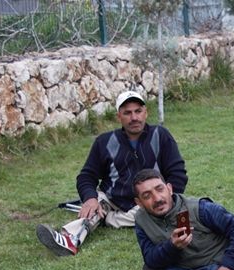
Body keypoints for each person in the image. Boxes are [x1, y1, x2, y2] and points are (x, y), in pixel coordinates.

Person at [36, 90, 188, 256]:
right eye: (127, 113)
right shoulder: (104, 142)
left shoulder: (161, 136)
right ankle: (69, 239)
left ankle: (106, 219)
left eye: (138, 111)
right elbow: (87, 176)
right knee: (93, 208)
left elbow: (178, 174)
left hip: (148, 199)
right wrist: (90, 198)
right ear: (119, 117)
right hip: (112, 198)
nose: (134, 118)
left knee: (148, 213)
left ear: (146, 113)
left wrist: (167, 198)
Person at [132, 169, 234, 270]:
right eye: (147, 196)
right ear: (139, 202)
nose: (157, 199)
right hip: (186, 268)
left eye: (159, 189)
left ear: (169, 188)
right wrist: (172, 246)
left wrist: (227, 266)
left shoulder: (199, 208)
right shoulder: (141, 220)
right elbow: (151, 260)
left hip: (218, 263)